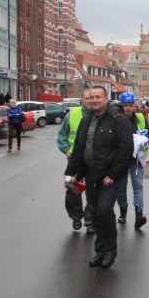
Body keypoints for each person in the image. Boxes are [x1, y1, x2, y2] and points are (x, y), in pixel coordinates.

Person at [64, 85, 133, 269]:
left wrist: (113, 174)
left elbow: (126, 150)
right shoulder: (86, 119)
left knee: (104, 210)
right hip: (91, 174)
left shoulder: (118, 120)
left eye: (98, 97)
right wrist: (71, 172)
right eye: (91, 97)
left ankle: (110, 250)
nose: (94, 100)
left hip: (110, 176)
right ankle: (100, 250)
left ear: (106, 98)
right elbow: (78, 148)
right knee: (94, 212)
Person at [57, 89, 93, 233]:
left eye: (92, 98)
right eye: (87, 98)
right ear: (81, 99)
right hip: (75, 159)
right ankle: (76, 217)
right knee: (73, 188)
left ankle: (90, 221)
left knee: (92, 190)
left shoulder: (100, 114)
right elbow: (62, 135)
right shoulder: (73, 114)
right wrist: (66, 150)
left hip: (93, 158)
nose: (90, 101)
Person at [115, 92, 149, 229]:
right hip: (120, 158)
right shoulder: (116, 119)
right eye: (126, 105)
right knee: (121, 187)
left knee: (137, 186)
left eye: (131, 105)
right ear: (122, 105)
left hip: (136, 158)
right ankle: (123, 211)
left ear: (135, 105)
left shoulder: (140, 117)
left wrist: (145, 137)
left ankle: (139, 215)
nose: (128, 108)